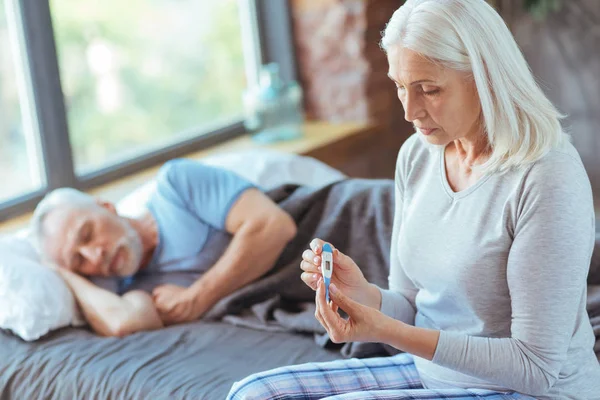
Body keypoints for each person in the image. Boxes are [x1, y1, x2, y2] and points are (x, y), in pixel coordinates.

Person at [226, 0, 600, 399]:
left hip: (531, 390)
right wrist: (363, 296)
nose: (409, 111)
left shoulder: (547, 176)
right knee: (253, 392)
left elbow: (535, 366)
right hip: (438, 371)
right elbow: (411, 304)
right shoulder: (418, 155)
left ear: (487, 77)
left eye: (429, 89)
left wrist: (383, 330)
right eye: (401, 86)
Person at [29, 159, 297, 337]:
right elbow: (125, 322)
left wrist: (197, 298)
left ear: (106, 206)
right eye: (78, 261)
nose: (94, 255)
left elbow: (274, 225)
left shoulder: (176, 186)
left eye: (87, 234)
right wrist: (64, 275)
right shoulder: (127, 288)